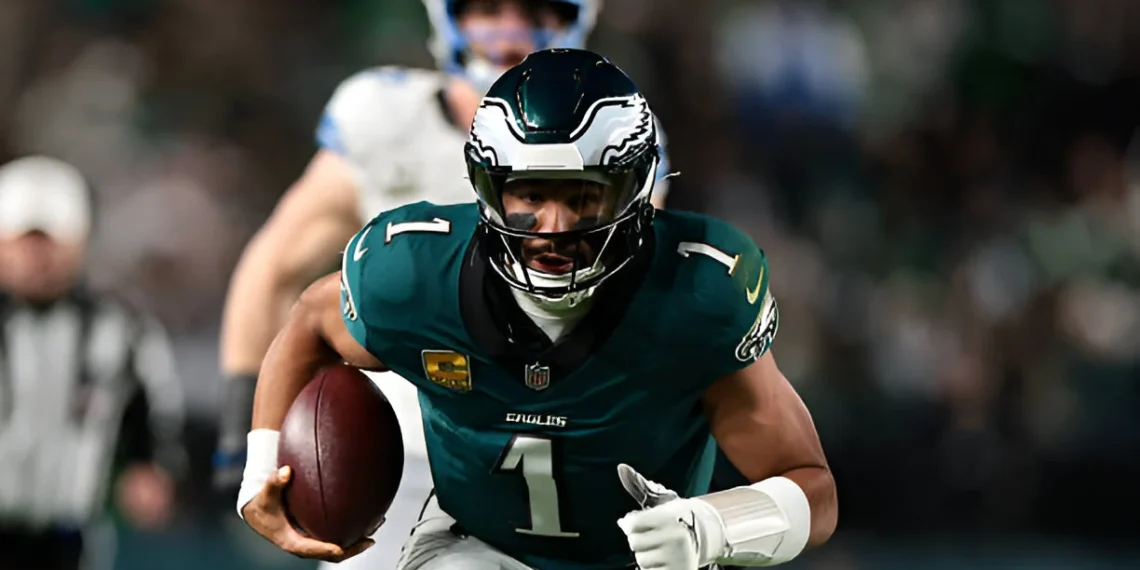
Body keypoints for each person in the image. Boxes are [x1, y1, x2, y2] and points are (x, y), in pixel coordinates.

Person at [237, 49, 836, 569]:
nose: (553, 228)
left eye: (582, 197)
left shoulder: (699, 297)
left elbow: (813, 492)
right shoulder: (413, 276)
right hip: (473, 547)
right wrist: (261, 468)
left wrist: (708, 529)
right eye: (530, 193)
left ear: (635, 191)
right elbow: (310, 323)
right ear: (489, 188)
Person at [214, 1, 672, 566]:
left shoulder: (616, 129)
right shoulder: (385, 117)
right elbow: (275, 269)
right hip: (396, 443)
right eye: (486, 7)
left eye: (535, 9)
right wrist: (246, 437)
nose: (509, 29)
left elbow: (625, 304)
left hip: (553, 442)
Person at [0, 155, 185, 570]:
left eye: (48, 240)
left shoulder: (121, 329)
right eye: (24, 241)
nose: (37, 256)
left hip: (70, 536)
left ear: (77, 242)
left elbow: (153, 404)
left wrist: (149, 464)